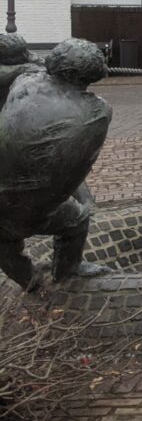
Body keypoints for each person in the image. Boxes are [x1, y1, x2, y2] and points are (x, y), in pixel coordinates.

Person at [0, 39, 113, 291]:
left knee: (4, 243)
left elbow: (25, 67)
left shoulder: (26, 82)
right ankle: (66, 272)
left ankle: (29, 283)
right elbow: (76, 167)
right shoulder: (99, 111)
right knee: (77, 220)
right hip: (30, 209)